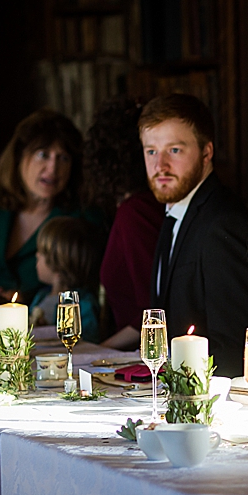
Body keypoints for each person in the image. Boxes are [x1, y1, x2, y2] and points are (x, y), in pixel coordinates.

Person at [142, 94, 248, 377]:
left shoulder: (223, 222)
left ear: (206, 152)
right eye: (151, 151)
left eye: (174, 150)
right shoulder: (176, 211)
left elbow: (236, 347)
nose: (160, 165)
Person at [0, 109, 94, 301]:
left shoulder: (80, 218)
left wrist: (26, 301)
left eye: (63, 158)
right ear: (20, 156)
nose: (53, 169)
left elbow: (87, 292)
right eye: (43, 155)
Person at [82, 97, 165, 349]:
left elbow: (150, 311)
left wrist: (97, 350)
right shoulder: (137, 207)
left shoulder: (136, 212)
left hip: (138, 361)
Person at [29, 217, 103, 343]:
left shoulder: (82, 305)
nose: (36, 255)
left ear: (57, 263)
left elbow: (88, 342)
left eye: (41, 252)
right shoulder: (40, 297)